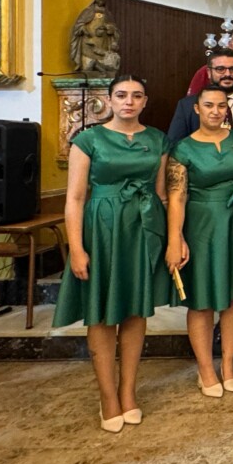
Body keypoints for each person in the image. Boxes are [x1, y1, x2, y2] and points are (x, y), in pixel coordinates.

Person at [53, 76, 170, 432]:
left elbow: (161, 194)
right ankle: (107, 396)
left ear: (145, 101)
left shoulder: (158, 139)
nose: (129, 101)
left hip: (142, 228)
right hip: (102, 230)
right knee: (102, 313)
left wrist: (169, 239)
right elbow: (75, 198)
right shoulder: (88, 139)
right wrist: (76, 248)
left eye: (136, 96)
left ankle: (128, 391)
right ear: (110, 99)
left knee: (135, 310)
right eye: (121, 95)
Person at [165, 86, 233, 397]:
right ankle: (205, 367)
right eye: (209, 105)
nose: (215, 111)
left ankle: (229, 362)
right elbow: (176, 197)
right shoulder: (183, 148)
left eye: (221, 106)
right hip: (202, 225)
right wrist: (175, 238)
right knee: (202, 298)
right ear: (197, 109)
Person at [169, 48, 233, 149]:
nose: (227, 74)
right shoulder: (187, 106)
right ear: (209, 73)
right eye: (220, 69)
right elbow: (175, 147)